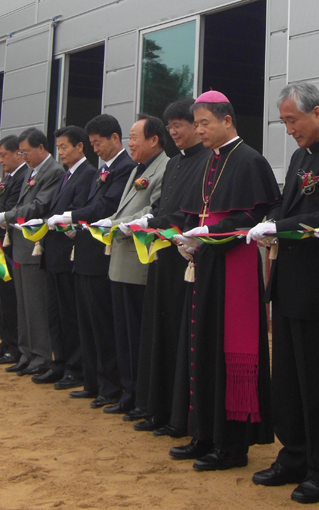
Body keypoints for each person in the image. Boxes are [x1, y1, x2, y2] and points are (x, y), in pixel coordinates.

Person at [247, 82, 319, 504]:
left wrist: (279, 227)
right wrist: (270, 219)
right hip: (291, 286)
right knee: (289, 382)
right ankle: (293, 454)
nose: (289, 130)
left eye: (292, 120)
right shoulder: (299, 157)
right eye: (284, 122)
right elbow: (287, 205)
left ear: (317, 113)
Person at [171, 90, 279, 470]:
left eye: (204, 123)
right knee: (202, 347)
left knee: (228, 350)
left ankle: (232, 446)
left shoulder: (250, 160)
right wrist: (188, 236)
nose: (199, 130)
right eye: (196, 123)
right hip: (206, 266)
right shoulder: (208, 161)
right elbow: (197, 210)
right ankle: (203, 434)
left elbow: (259, 214)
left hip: (234, 266)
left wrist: (211, 233)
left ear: (227, 121)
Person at [122, 98, 211, 434]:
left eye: (180, 125)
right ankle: (155, 407)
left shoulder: (205, 161)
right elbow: (162, 205)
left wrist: (161, 224)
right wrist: (150, 221)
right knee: (156, 332)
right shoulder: (173, 164)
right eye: (171, 125)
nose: (175, 131)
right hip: (162, 255)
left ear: (196, 126)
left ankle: (179, 416)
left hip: (185, 259)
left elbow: (191, 212)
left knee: (178, 336)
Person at [53, 114, 135, 408]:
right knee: (86, 323)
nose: (95, 149)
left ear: (115, 138)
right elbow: (90, 204)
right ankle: (92, 381)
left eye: (98, 143)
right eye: (91, 144)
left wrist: (72, 216)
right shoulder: (103, 170)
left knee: (103, 324)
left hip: (102, 257)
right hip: (85, 254)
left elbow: (105, 206)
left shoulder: (126, 169)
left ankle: (109, 386)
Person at [92, 114, 168, 416]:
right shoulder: (139, 168)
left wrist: (119, 223)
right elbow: (126, 208)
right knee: (122, 331)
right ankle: (127, 390)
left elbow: (153, 208)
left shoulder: (163, 167)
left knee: (137, 333)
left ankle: (139, 394)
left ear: (154, 140)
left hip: (139, 263)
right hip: (120, 262)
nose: (130, 143)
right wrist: (108, 223)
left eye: (135, 137)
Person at [32, 126, 97, 389]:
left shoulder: (89, 174)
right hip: (53, 254)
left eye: (64, 147)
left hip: (68, 253)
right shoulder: (67, 175)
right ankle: (59, 363)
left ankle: (74, 367)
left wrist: (60, 221)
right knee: (55, 313)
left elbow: (78, 210)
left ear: (80, 147)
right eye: (58, 147)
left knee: (70, 314)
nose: (60, 152)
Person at [0, 128, 64, 376]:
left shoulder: (53, 171)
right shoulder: (32, 171)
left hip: (34, 244)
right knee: (23, 303)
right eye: (21, 153)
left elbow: (38, 206)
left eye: (26, 152)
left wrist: (5, 216)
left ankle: (41, 356)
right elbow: (21, 204)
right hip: (20, 243)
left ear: (41, 148)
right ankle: (26, 353)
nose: (23, 156)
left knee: (36, 304)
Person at [0, 135, 30, 365]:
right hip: (0, 243)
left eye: (3, 155)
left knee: (10, 296)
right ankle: (6, 340)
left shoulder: (22, 178)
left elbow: (10, 209)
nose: (0, 161)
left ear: (16, 154)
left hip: (10, 244)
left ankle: (14, 344)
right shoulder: (7, 179)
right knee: (1, 296)